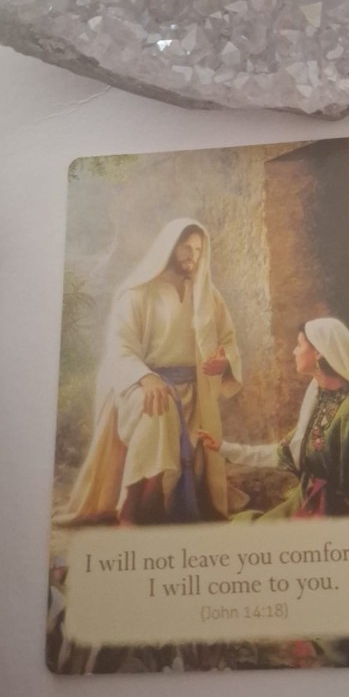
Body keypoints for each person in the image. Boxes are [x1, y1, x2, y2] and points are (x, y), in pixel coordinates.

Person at [199, 317, 349, 564]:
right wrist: (225, 448)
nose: (294, 351)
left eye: (300, 345)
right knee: (239, 537)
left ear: (319, 353)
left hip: (336, 521)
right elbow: (287, 452)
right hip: (305, 503)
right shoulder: (318, 398)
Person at [57, 218, 242, 525]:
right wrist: (146, 377)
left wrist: (224, 363)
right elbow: (120, 348)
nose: (193, 256)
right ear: (169, 247)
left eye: (198, 250)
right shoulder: (138, 293)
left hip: (193, 395)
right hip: (139, 388)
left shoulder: (209, 296)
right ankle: (132, 506)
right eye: (186, 248)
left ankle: (157, 505)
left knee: (166, 408)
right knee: (159, 408)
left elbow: (228, 342)